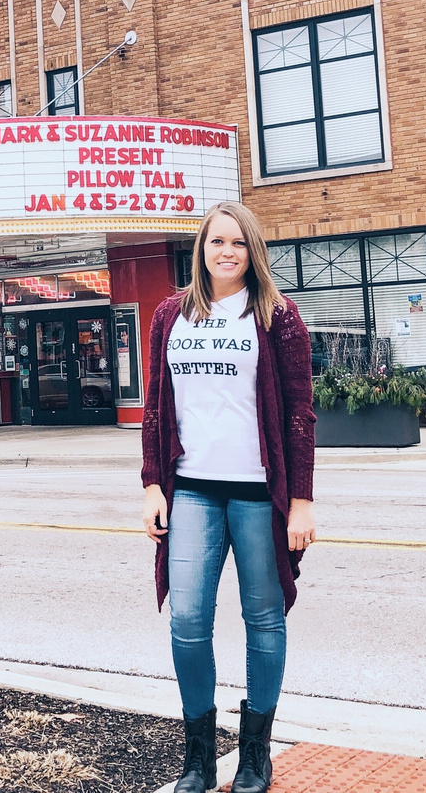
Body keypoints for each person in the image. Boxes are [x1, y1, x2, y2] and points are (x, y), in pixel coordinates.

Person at [141, 201, 316, 793]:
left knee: (263, 619)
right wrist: (151, 485)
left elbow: (299, 414)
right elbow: (155, 412)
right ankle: (197, 757)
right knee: (188, 619)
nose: (226, 252)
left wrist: (303, 502)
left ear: (253, 251)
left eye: (238, 243)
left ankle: (254, 756)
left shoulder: (277, 316)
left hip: (259, 495)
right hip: (190, 489)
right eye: (217, 242)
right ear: (202, 249)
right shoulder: (170, 315)